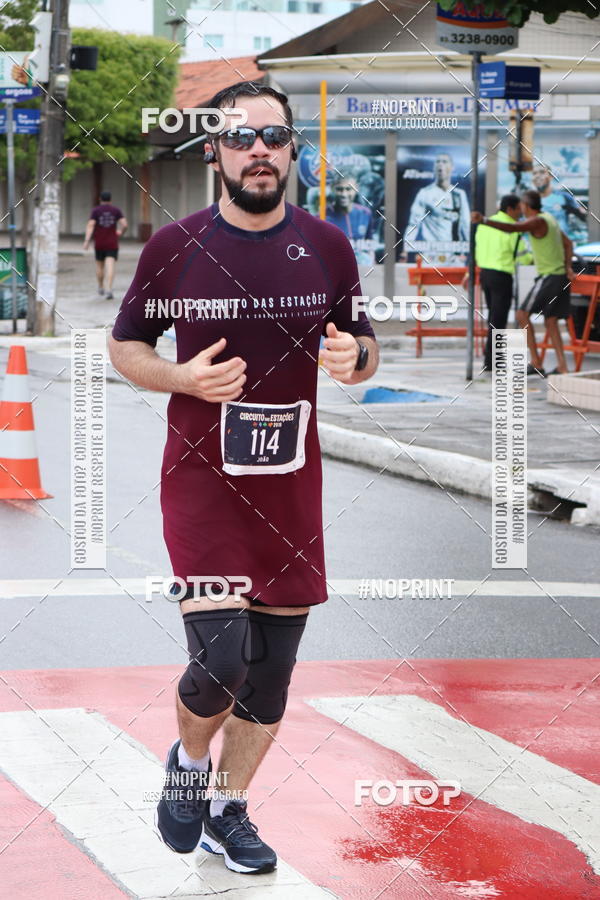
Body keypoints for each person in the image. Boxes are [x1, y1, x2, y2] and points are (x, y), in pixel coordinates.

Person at [108, 80, 378, 876]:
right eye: (240, 138)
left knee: (271, 673)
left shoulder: (328, 246)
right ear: (215, 153)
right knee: (221, 660)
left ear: (294, 149)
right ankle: (188, 769)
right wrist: (183, 379)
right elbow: (125, 348)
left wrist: (354, 358)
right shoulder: (176, 248)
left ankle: (229, 809)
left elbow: (362, 343)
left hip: (292, 489)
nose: (258, 150)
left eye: (273, 137)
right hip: (204, 485)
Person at [472, 189, 574, 376]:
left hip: (544, 276)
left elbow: (512, 229)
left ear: (527, 206)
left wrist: (484, 220)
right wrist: (568, 267)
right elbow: (568, 244)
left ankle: (535, 363)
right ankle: (561, 366)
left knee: (520, 314)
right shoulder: (549, 218)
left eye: (522, 207)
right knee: (548, 321)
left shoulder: (536, 221)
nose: (520, 210)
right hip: (545, 275)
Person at [467, 193, 523, 373]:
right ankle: (493, 361)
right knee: (498, 320)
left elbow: (476, 248)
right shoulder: (512, 227)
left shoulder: (485, 224)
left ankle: (491, 358)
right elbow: (522, 254)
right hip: (502, 277)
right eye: (519, 208)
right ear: (510, 209)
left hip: (486, 276)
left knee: (493, 317)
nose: (521, 212)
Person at [402, 152, 470, 264]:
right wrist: (405, 250)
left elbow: (466, 225)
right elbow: (414, 224)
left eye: (444, 162)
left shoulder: (459, 195)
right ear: (434, 168)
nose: (440, 165)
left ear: (452, 167)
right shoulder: (424, 193)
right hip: (431, 254)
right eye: (437, 162)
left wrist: (469, 250)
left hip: (454, 254)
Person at [84, 191, 127, 299]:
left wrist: (87, 241)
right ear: (110, 200)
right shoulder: (116, 210)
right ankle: (109, 289)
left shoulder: (96, 211)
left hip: (99, 243)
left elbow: (91, 225)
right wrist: (121, 232)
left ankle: (100, 287)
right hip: (112, 242)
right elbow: (124, 224)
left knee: (99, 266)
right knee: (110, 265)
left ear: (100, 199)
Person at [326, 174, 376, 264]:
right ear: (332, 189)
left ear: (356, 189)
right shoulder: (322, 216)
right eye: (339, 189)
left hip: (361, 269)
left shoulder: (365, 213)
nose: (344, 194)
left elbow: (370, 245)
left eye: (348, 189)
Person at [531, 164, 587, 238]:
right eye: (534, 173)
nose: (538, 176)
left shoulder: (563, 197)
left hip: (559, 245)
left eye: (542, 172)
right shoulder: (529, 200)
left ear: (551, 176)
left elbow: (584, 216)